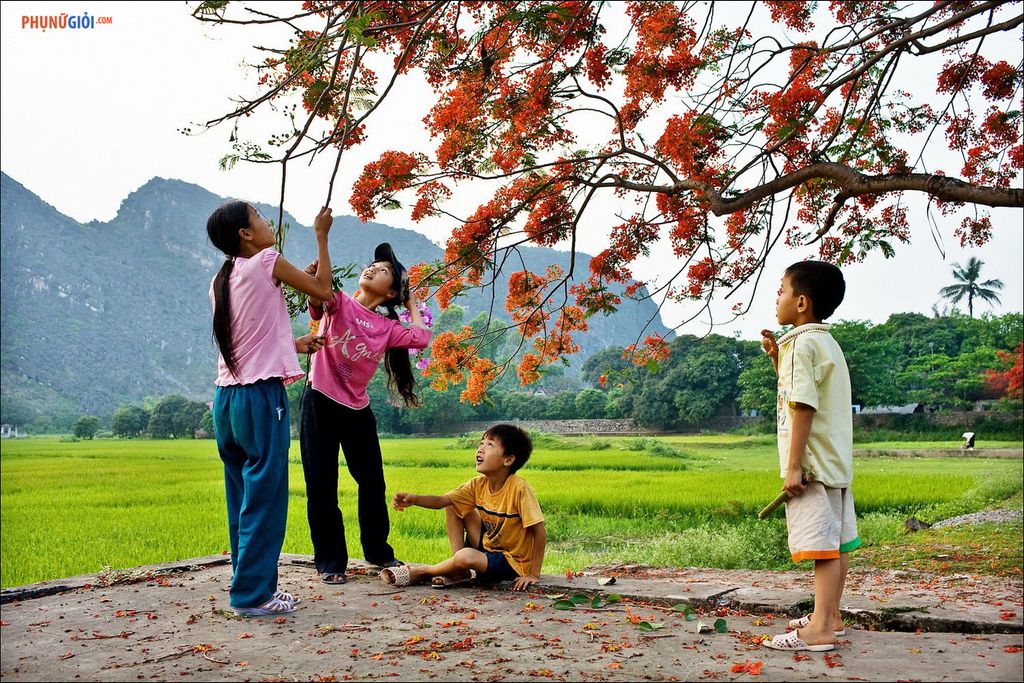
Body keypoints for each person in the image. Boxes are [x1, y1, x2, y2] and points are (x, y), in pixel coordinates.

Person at [207, 201, 335, 617]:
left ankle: (247, 584)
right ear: (245, 234)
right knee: (266, 498)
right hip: (260, 399)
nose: (266, 223)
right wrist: (321, 234)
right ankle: (253, 596)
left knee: (242, 495)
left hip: (226, 400)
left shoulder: (221, 277)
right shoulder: (266, 260)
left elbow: (247, 337)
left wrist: (293, 345)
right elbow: (325, 295)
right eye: (259, 219)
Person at [300, 243, 431, 585]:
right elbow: (318, 297)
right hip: (319, 400)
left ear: (390, 292)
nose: (373, 268)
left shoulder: (386, 328)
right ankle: (330, 561)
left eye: (383, 269)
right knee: (321, 484)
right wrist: (316, 269)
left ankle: (377, 551)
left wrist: (410, 300)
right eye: (372, 264)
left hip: (357, 409)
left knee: (372, 482)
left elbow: (421, 337)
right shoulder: (339, 302)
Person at [759, 261, 859, 652]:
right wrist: (776, 358)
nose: (777, 297)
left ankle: (819, 629)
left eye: (781, 290)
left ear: (801, 302)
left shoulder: (800, 343)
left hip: (813, 466)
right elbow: (796, 389)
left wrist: (794, 466)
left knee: (822, 547)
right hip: (834, 463)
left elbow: (802, 406)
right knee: (836, 541)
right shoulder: (824, 342)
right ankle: (830, 615)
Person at [382, 424, 545, 592]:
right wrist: (414, 499)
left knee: (466, 555)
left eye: (490, 445)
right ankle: (460, 570)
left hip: (511, 562)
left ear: (508, 460)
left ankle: (423, 571)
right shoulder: (478, 484)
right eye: (481, 443)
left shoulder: (519, 489)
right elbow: (442, 501)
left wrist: (533, 574)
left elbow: (539, 531)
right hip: (488, 548)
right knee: (453, 504)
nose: (481, 449)